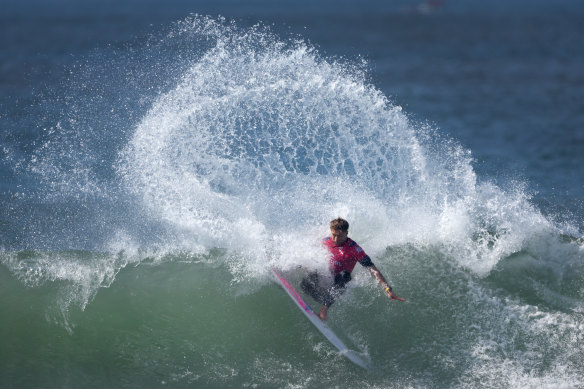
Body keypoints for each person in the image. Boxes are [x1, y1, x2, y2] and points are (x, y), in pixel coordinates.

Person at [301, 217, 405, 321]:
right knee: (311, 270)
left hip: (338, 283)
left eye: (339, 236)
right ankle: (316, 297)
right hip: (326, 283)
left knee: (344, 276)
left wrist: (387, 289)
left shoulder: (354, 249)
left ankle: (323, 312)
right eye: (334, 235)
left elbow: (373, 270)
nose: (336, 239)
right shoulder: (326, 241)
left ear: (346, 233)